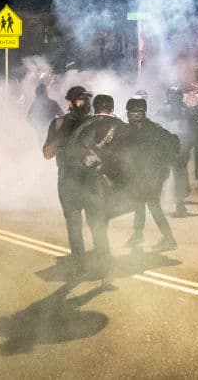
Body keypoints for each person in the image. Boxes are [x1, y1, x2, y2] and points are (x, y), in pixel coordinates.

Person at [57, 93, 127, 278]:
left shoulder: (80, 124)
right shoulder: (118, 126)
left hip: (69, 182)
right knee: (97, 224)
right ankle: (104, 265)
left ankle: (78, 263)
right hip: (94, 184)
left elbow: (63, 151)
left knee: (74, 223)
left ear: (95, 108)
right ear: (112, 108)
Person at [42, 85, 96, 275]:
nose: (85, 104)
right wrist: (61, 140)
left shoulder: (94, 123)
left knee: (97, 220)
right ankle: (79, 261)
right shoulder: (58, 124)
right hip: (68, 180)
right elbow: (47, 153)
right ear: (70, 103)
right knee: (74, 223)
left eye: (86, 100)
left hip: (92, 180)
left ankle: (101, 258)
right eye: (80, 100)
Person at [123, 97, 179, 251]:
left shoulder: (155, 129)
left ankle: (169, 239)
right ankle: (138, 235)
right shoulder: (129, 130)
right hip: (139, 174)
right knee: (138, 203)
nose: (135, 114)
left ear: (144, 112)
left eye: (138, 111)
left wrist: (165, 166)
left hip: (155, 174)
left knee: (153, 204)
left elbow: (174, 142)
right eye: (132, 111)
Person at [156, 86, 191, 217]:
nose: (175, 99)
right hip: (170, 146)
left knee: (175, 174)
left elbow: (191, 127)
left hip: (178, 146)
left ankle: (179, 202)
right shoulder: (184, 110)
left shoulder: (185, 110)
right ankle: (172, 202)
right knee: (168, 174)